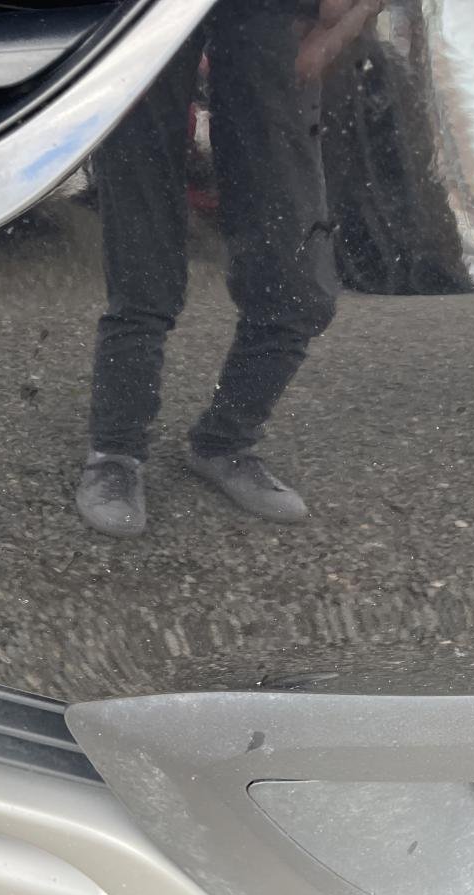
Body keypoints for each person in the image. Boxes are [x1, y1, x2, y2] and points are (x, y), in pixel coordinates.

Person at [77, 0, 382, 537]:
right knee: (143, 260)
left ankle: (225, 441)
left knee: (297, 282)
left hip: (278, 10)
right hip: (145, 13)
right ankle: (115, 451)